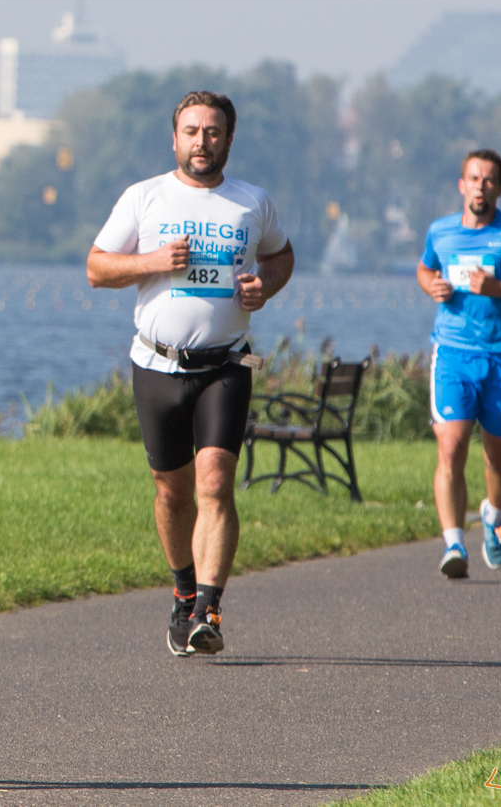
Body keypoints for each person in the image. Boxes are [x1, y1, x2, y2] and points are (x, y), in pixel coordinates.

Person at [87, 91, 294, 656]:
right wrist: (151, 262)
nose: (202, 141)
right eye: (192, 131)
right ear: (174, 138)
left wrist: (264, 286)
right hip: (156, 364)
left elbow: (280, 256)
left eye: (213, 131)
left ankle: (209, 609)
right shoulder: (145, 197)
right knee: (171, 492)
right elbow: (97, 268)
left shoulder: (252, 202)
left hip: (226, 365)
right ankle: (183, 593)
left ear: (228, 139)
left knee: (214, 486)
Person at [417, 149, 501, 579]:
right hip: (452, 352)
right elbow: (424, 270)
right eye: (474, 179)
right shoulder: (440, 231)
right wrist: (433, 286)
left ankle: (493, 514)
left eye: (489, 180)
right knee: (452, 446)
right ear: (462, 185)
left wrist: (499, 288)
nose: (481, 186)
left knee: (498, 456)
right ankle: (453, 543)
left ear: (500, 187)